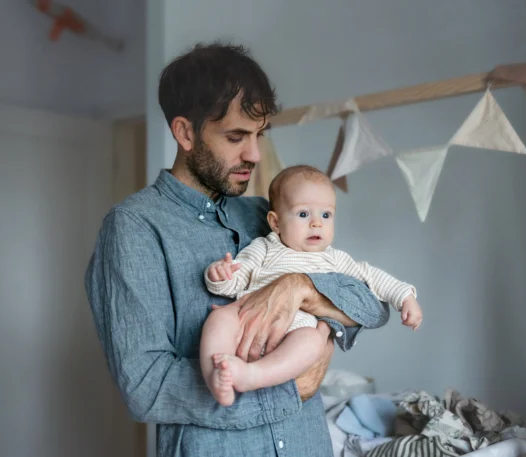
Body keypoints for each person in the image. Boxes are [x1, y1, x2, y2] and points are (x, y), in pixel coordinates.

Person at [85, 42, 391, 457]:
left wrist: (301, 289)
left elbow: (371, 309)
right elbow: (146, 387)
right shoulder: (134, 228)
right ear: (185, 132)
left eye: (259, 135)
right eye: (236, 136)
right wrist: (292, 387)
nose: (253, 154)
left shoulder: (267, 214)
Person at [200, 165, 422, 407]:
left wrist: (405, 297)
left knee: (313, 343)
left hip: (298, 329)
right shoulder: (264, 248)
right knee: (219, 320)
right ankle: (216, 377)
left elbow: (373, 277)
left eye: (326, 215)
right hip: (248, 316)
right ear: (275, 223)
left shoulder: (334, 258)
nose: (317, 223)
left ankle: (252, 376)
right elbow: (236, 280)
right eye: (304, 214)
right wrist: (220, 275)